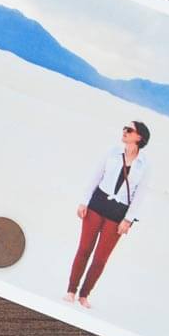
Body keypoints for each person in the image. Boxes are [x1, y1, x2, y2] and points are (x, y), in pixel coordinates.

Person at [65, 121, 152, 308]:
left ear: (139, 138)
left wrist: (128, 220)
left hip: (117, 213)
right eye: (124, 128)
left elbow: (140, 195)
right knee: (84, 250)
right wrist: (84, 201)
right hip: (97, 204)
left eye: (129, 130)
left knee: (100, 258)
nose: (124, 132)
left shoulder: (144, 165)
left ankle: (84, 295)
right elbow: (96, 176)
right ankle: (71, 291)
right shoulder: (112, 152)